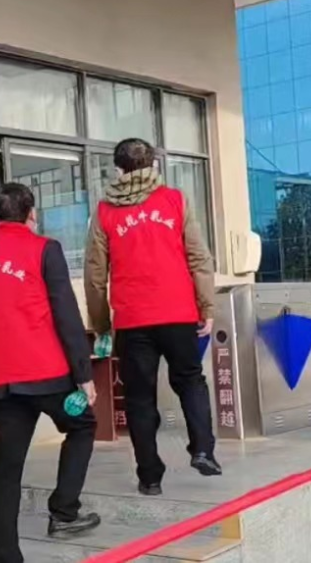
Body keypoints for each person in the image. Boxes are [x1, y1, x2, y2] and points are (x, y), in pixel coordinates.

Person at [0, 182, 101, 563]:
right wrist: (83, 374)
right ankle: (64, 511)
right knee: (82, 425)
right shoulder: (45, 250)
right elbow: (66, 314)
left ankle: (6, 555)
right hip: (50, 378)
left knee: (5, 467)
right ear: (31, 214)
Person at [84, 137, 220, 497]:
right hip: (178, 313)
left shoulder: (104, 212)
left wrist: (101, 325)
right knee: (190, 381)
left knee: (140, 398)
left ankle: (150, 476)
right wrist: (206, 307)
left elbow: (95, 275)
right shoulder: (175, 200)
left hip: (132, 321)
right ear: (154, 165)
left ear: (117, 170)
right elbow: (199, 257)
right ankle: (203, 449)